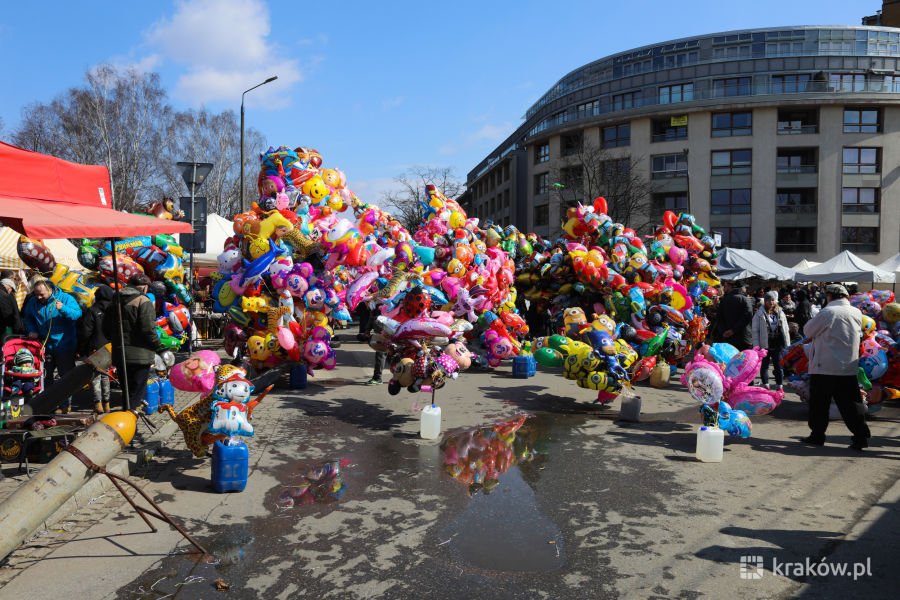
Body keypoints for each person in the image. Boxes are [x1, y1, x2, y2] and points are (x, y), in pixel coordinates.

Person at [801, 284, 871, 451]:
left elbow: (808, 330)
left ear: (830, 296)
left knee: (819, 404)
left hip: (825, 365)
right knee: (852, 405)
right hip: (848, 366)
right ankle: (861, 437)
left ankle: (817, 436)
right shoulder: (856, 312)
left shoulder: (828, 312)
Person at [103, 274, 166, 409]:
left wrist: (116, 341)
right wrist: (160, 348)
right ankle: (130, 421)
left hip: (120, 353)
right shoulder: (143, 301)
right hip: (140, 355)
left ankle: (126, 416)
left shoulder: (115, 300)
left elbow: (105, 327)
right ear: (144, 287)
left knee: (126, 391)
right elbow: (148, 330)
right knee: (136, 393)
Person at [22, 278, 82, 413]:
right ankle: (50, 404)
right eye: (36, 293)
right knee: (46, 376)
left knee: (65, 376)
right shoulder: (33, 301)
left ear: (50, 290)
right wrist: (32, 330)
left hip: (64, 344)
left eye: (41, 294)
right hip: (44, 345)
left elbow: (77, 315)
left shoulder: (65, 298)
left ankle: (65, 404)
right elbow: (28, 317)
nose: (39, 297)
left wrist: (63, 309)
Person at [79, 285, 115, 414]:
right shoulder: (115, 310)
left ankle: (98, 404)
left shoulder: (92, 310)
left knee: (95, 377)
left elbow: (86, 331)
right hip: (110, 347)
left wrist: (82, 349)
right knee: (106, 375)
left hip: (95, 346)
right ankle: (107, 404)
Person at [751, 291, 790, 391]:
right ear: (765, 301)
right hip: (764, 344)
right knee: (764, 366)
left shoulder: (780, 312)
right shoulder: (759, 313)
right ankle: (766, 386)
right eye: (768, 300)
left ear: (775, 301)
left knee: (778, 366)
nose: (771, 302)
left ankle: (779, 386)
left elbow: (786, 329)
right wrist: (757, 346)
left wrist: (787, 344)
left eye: (772, 300)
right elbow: (755, 331)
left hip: (777, 343)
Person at [715, 281, 754, 351]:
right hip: (744, 338)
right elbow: (748, 317)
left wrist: (724, 331)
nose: (724, 288)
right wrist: (733, 330)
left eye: (725, 286)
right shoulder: (746, 300)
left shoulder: (724, 300)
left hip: (728, 338)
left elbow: (719, 318)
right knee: (744, 361)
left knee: (730, 360)